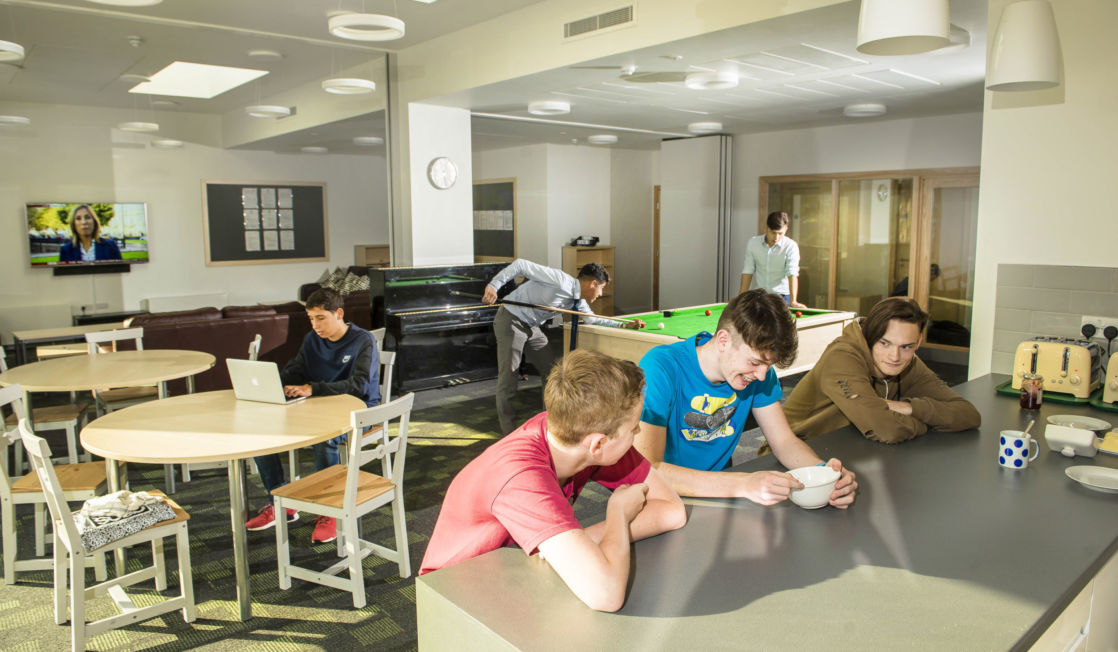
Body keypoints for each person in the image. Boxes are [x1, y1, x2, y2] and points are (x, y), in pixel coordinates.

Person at [419, 350, 686, 612]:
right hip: (455, 596)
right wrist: (618, 513)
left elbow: (672, 511)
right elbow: (606, 595)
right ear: (598, 444)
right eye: (634, 428)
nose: (637, 432)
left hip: (519, 575)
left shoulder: (576, 431)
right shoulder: (521, 477)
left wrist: (579, 542)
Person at [636, 289, 857, 506]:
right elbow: (648, 469)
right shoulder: (660, 368)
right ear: (723, 341)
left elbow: (783, 442)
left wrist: (824, 473)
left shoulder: (759, 374)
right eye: (755, 362)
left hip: (719, 493)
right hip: (662, 497)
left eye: (768, 365)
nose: (762, 375)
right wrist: (743, 484)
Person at [245, 288, 380, 543]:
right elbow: (296, 370)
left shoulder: (363, 340)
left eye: (321, 318)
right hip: (318, 406)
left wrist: (312, 388)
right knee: (261, 435)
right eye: (311, 319)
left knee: (325, 438)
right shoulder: (312, 339)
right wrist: (273, 385)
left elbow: (360, 385)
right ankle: (280, 502)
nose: (315, 325)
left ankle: (329, 510)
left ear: (338, 314)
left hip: (359, 411)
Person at [783, 296, 980, 443]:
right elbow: (886, 430)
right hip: (797, 452)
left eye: (906, 346)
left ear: (918, 341)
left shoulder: (909, 363)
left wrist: (908, 407)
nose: (895, 357)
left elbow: (969, 415)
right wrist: (927, 422)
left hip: (851, 447)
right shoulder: (842, 357)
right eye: (884, 343)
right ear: (870, 335)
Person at [483, 258, 644, 435]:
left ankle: (550, 425)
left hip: (532, 326)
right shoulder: (559, 280)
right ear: (593, 283)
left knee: (552, 373)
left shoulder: (578, 300)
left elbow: (592, 319)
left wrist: (623, 324)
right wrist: (493, 286)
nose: (600, 294)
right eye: (601, 288)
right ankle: (508, 434)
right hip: (511, 319)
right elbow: (521, 264)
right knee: (509, 378)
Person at [739, 211, 805, 308]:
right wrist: (741, 297)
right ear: (766, 228)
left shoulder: (791, 246)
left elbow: (792, 273)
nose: (776, 237)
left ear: (786, 229)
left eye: (780, 233)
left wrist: (793, 301)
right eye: (773, 233)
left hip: (783, 298)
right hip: (760, 297)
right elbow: (748, 270)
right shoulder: (753, 243)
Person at [58, 204, 122, 262]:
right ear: (73, 224)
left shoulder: (110, 246)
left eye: (87, 217)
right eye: (78, 218)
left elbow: (120, 271)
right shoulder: (66, 250)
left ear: (94, 222)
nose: (84, 222)